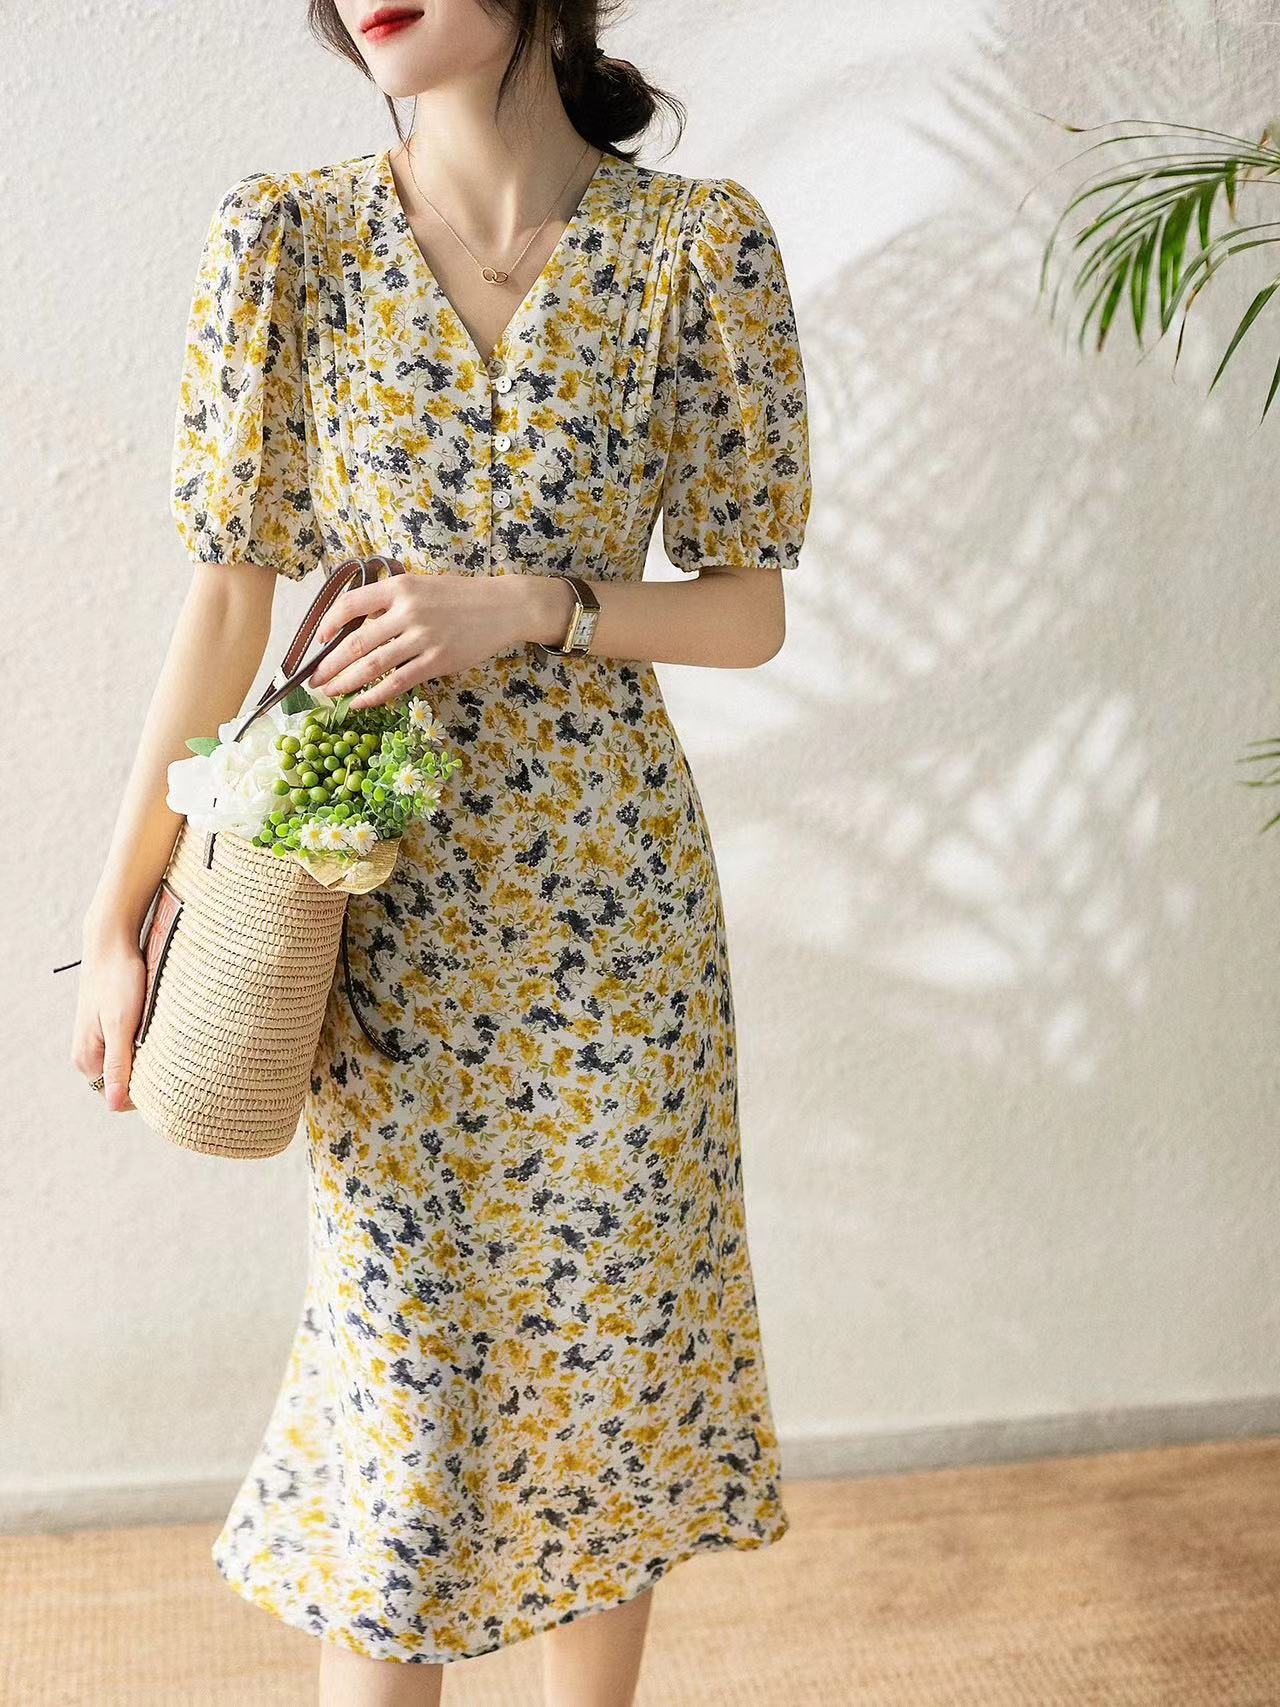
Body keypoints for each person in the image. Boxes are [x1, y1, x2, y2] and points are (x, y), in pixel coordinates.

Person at [70, 2, 812, 1702]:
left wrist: (539, 604)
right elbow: (224, 611)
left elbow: (748, 611)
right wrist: (117, 912)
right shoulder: (289, 241)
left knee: (604, 1372)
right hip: (374, 910)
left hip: (612, 920)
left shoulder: (696, 249)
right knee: (402, 1410)